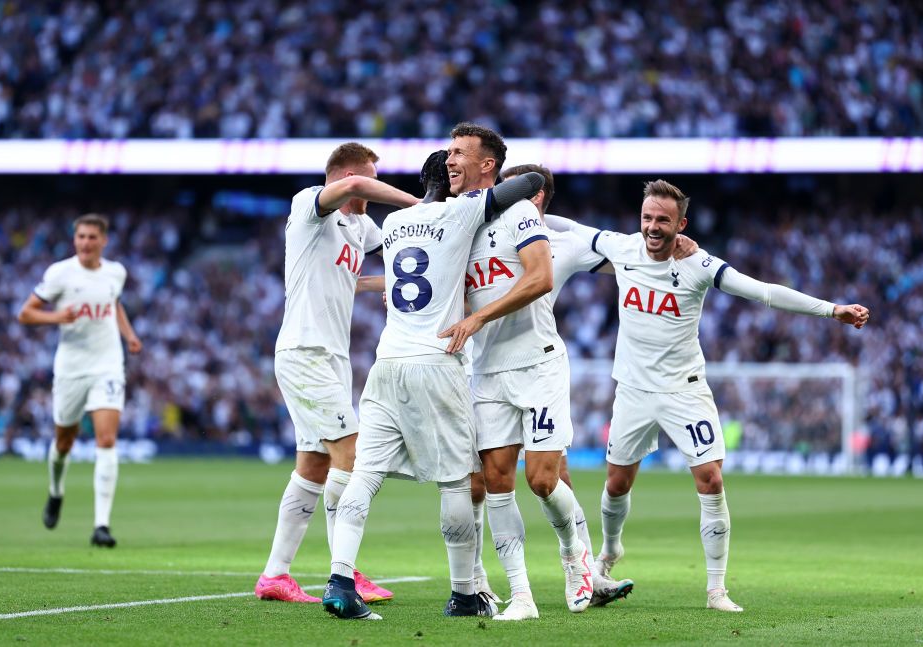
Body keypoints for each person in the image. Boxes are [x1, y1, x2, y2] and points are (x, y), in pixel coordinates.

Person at [546, 179, 870, 612]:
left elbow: (765, 292)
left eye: (663, 219)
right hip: (633, 391)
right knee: (617, 483)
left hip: (685, 391)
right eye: (647, 218)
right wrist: (509, 207)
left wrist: (833, 310)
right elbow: (569, 227)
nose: (653, 227)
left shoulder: (700, 264)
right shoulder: (621, 249)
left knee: (711, 479)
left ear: (682, 223)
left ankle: (716, 589)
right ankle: (609, 551)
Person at [322, 124, 546, 621]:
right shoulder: (461, 210)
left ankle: (340, 579)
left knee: (366, 475)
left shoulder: (398, 222)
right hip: (436, 360)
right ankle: (465, 592)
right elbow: (528, 183)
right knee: (455, 482)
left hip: (387, 363)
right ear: (447, 183)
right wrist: (484, 189)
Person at [257, 143, 419, 604]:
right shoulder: (309, 207)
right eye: (367, 180)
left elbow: (380, 265)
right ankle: (343, 572)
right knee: (352, 454)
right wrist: (418, 202)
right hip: (305, 351)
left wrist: (400, 282)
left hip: (332, 356)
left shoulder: (359, 225)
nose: (368, 194)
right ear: (349, 175)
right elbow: (351, 187)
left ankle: (275, 576)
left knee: (314, 465)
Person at [463, 162, 597, 619]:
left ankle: (573, 555)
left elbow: (543, 278)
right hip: (488, 371)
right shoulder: (467, 228)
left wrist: (480, 317)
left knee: (542, 479)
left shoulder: (534, 227)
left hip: (539, 364)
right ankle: (521, 595)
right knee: (496, 483)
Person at [18, 213, 142, 548]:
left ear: (104, 240)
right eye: (80, 237)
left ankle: (101, 525)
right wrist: (56, 316)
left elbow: (113, 303)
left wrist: (128, 335)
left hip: (108, 365)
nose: (85, 243)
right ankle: (56, 491)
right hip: (71, 368)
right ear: (75, 240)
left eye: (91, 237)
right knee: (63, 442)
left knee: (106, 440)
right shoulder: (60, 273)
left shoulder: (116, 272)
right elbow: (25, 312)